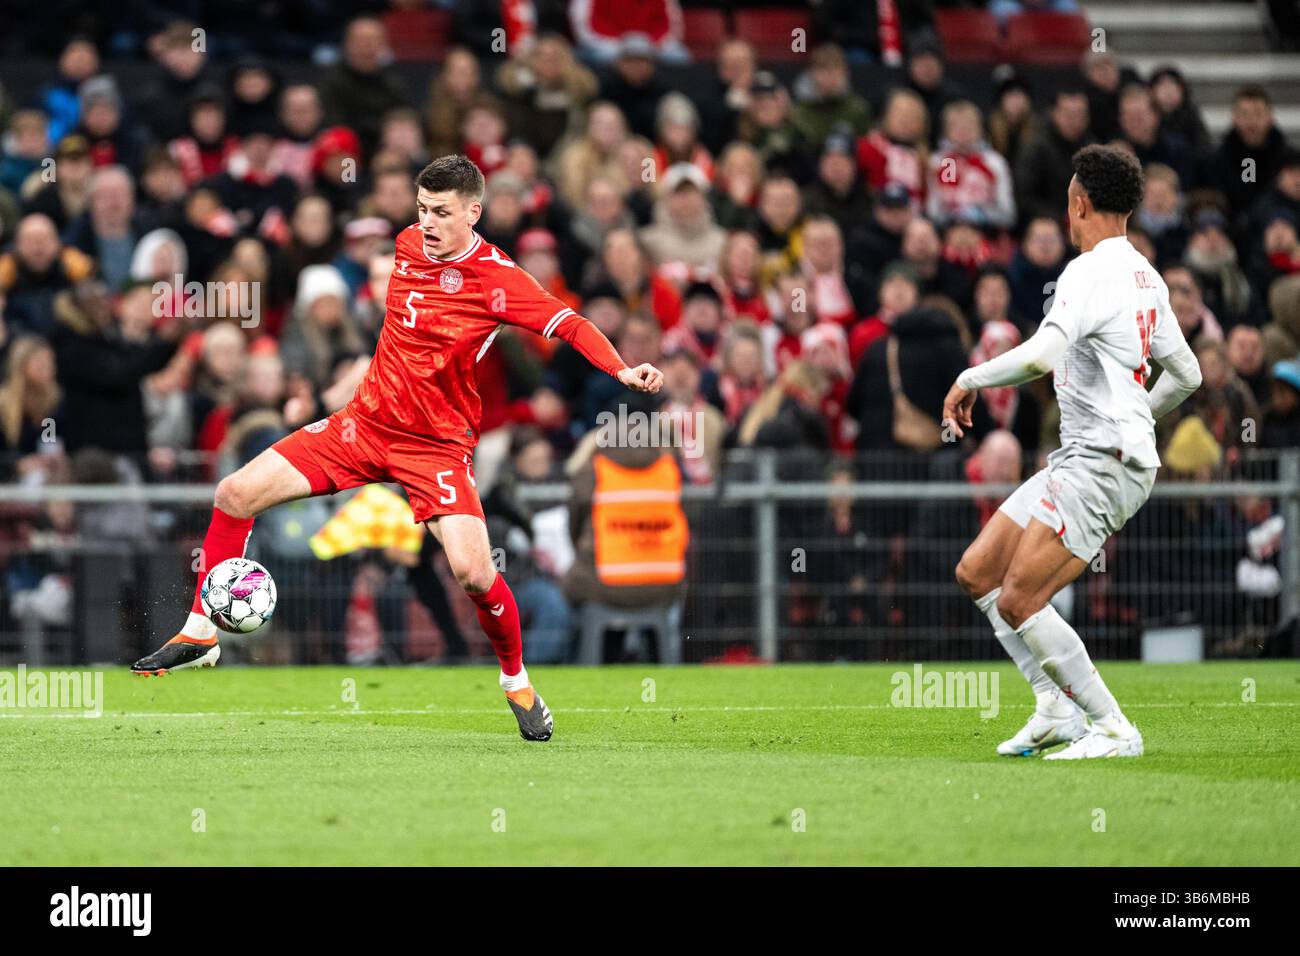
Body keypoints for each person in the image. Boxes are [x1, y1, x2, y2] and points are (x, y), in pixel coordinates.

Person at [131, 156, 664, 743]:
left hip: (435, 446)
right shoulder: (409, 244)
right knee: (234, 493)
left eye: (441, 212)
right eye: (421, 209)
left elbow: (571, 326)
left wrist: (621, 368)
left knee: (474, 573)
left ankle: (516, 681)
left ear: (473, 212)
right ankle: (201, 632)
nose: (427, 223)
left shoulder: (498, 277)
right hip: (363, 425)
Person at [945, 145, 1202, 759]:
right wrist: (1141, 415)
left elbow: (1040, 356)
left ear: (1078, 203)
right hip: (1087, 456)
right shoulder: (1145, 274)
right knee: (978, 573)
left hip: (1103, 460)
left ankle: (1114, 728)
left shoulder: (1088, 271)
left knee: (1020, 598)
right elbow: (1187, 373)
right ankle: (1054, 707)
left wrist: (970, 378)